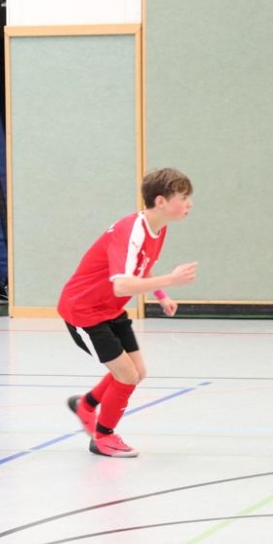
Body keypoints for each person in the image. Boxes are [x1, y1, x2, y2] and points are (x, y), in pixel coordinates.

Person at [60, 168, 198, 458]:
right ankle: (103, 437)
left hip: (110, 308)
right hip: (84, 310)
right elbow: (122, 285)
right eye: (183, 197)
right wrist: (171, 279)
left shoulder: (158, 228)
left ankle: (86, 404)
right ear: (161, 201)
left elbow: (141, 266)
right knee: (126, 375)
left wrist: (161, 296)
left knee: (138, 372)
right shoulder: (131, 230)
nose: (189, 203)